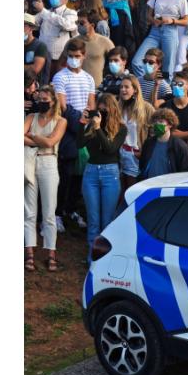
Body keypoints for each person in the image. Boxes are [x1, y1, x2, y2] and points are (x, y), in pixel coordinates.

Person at [24, 85, 68, 272]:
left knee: (49, 212)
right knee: (29, 211)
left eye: (45, 100)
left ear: (53, 102)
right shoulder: (30, 117)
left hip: (49, 162)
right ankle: (30, 253)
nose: (41, 103)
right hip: (30, 162)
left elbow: (52, 142)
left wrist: (32, 136)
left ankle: (51, 252)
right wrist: (42, 139)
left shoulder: (61, 121)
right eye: (39, 99)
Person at [78, 94, 126, 260]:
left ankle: (104, 258)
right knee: (93, 219)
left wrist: (98, 129)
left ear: (112, 110)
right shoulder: (92, 125)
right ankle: (92, 256)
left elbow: (110, 149)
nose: (101, 112)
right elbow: (79, 144)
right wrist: (82, 124)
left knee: (107, 220)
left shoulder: (121, 128)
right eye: (99, 109)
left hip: (110, 174)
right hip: (91, 172)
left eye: (105, 109)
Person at [139, 108, 188, 179]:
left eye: (160, 121)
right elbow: (142, 165)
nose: (157, 124)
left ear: (170, 124)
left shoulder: (179, 146)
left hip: (168, 187)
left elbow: (186, 171)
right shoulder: (148, 143)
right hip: (149, 184)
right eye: (155, 122)